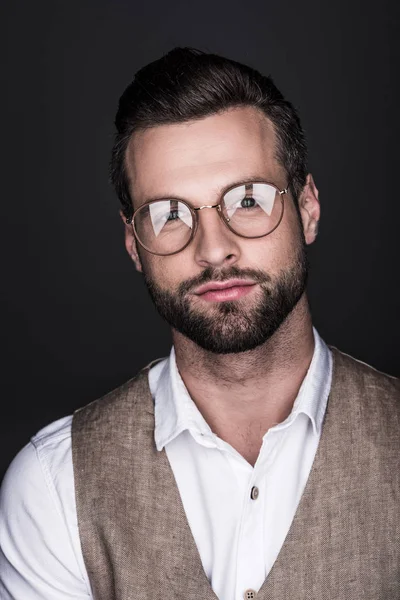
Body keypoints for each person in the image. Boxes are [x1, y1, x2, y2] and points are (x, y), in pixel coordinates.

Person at [0, 47, 399, 600]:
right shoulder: (51, 486)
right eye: (169, 214)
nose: (214, 250)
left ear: (307, 207)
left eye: (249, 200)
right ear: (134, 245)